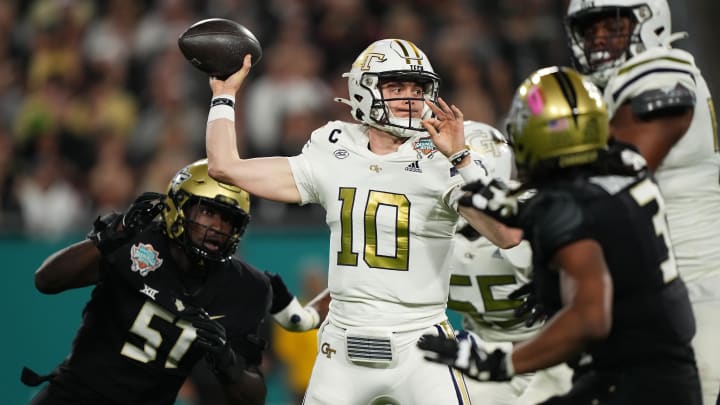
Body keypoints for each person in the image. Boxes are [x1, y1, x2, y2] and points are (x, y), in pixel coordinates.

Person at [201, 38, 511, 404]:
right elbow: (225, 166)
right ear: (363, 90)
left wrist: (462, 159)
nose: (410, 99)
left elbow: (504, 234)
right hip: (342, 347)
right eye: (396, 87)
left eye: (417, 89)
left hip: (421, 344)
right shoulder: (334, 147)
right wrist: (225, 94)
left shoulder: (442, 156)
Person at [418, 66, 701, 404]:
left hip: (626, 377)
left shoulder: (561, 209)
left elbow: (590, 317)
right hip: (655, 365)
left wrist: (501, 363)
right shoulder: (629, 162)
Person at [22, 159, 324, 405]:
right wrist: (110, 236)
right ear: (179, 207)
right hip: (73, 397)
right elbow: (47, 281)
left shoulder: (247, 287)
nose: (218, 227)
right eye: (208, 212)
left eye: (228, 219)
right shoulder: (133, 238)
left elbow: (252, 396)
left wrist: (227, 360)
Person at [564, 2, 720, 403]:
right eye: (589, 28)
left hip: (697, 289)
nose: (598, 38)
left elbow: (620, 171)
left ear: (650, 20)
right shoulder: (607, 89)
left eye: (611, 24)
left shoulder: (661, 68)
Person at [447, 121, 573, 405]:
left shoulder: (535, 209)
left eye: (450, 172)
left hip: (558, 350)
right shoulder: (427, 223)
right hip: (486, 355)